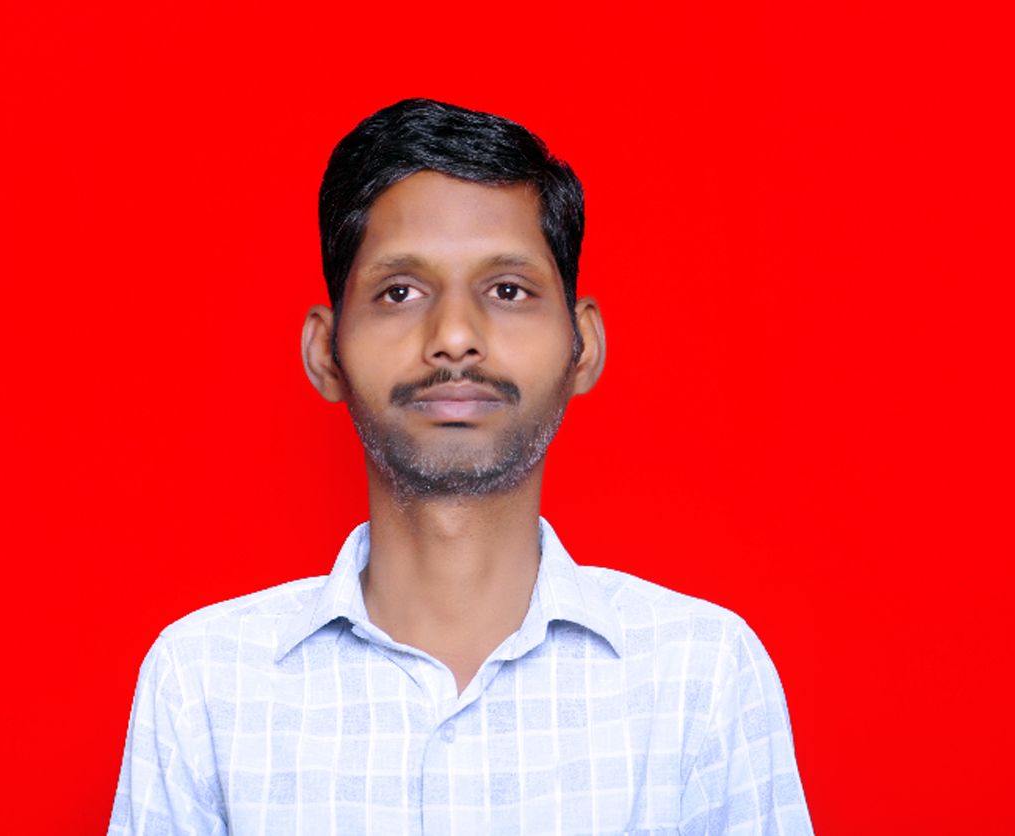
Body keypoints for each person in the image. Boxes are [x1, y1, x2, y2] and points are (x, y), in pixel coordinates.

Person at [109, 98, 814, 835]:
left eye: (507, 291)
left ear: (584, 346)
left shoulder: (701, 679)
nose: (453, 338)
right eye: (400, 292)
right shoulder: (204, 685)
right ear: (326, 351)